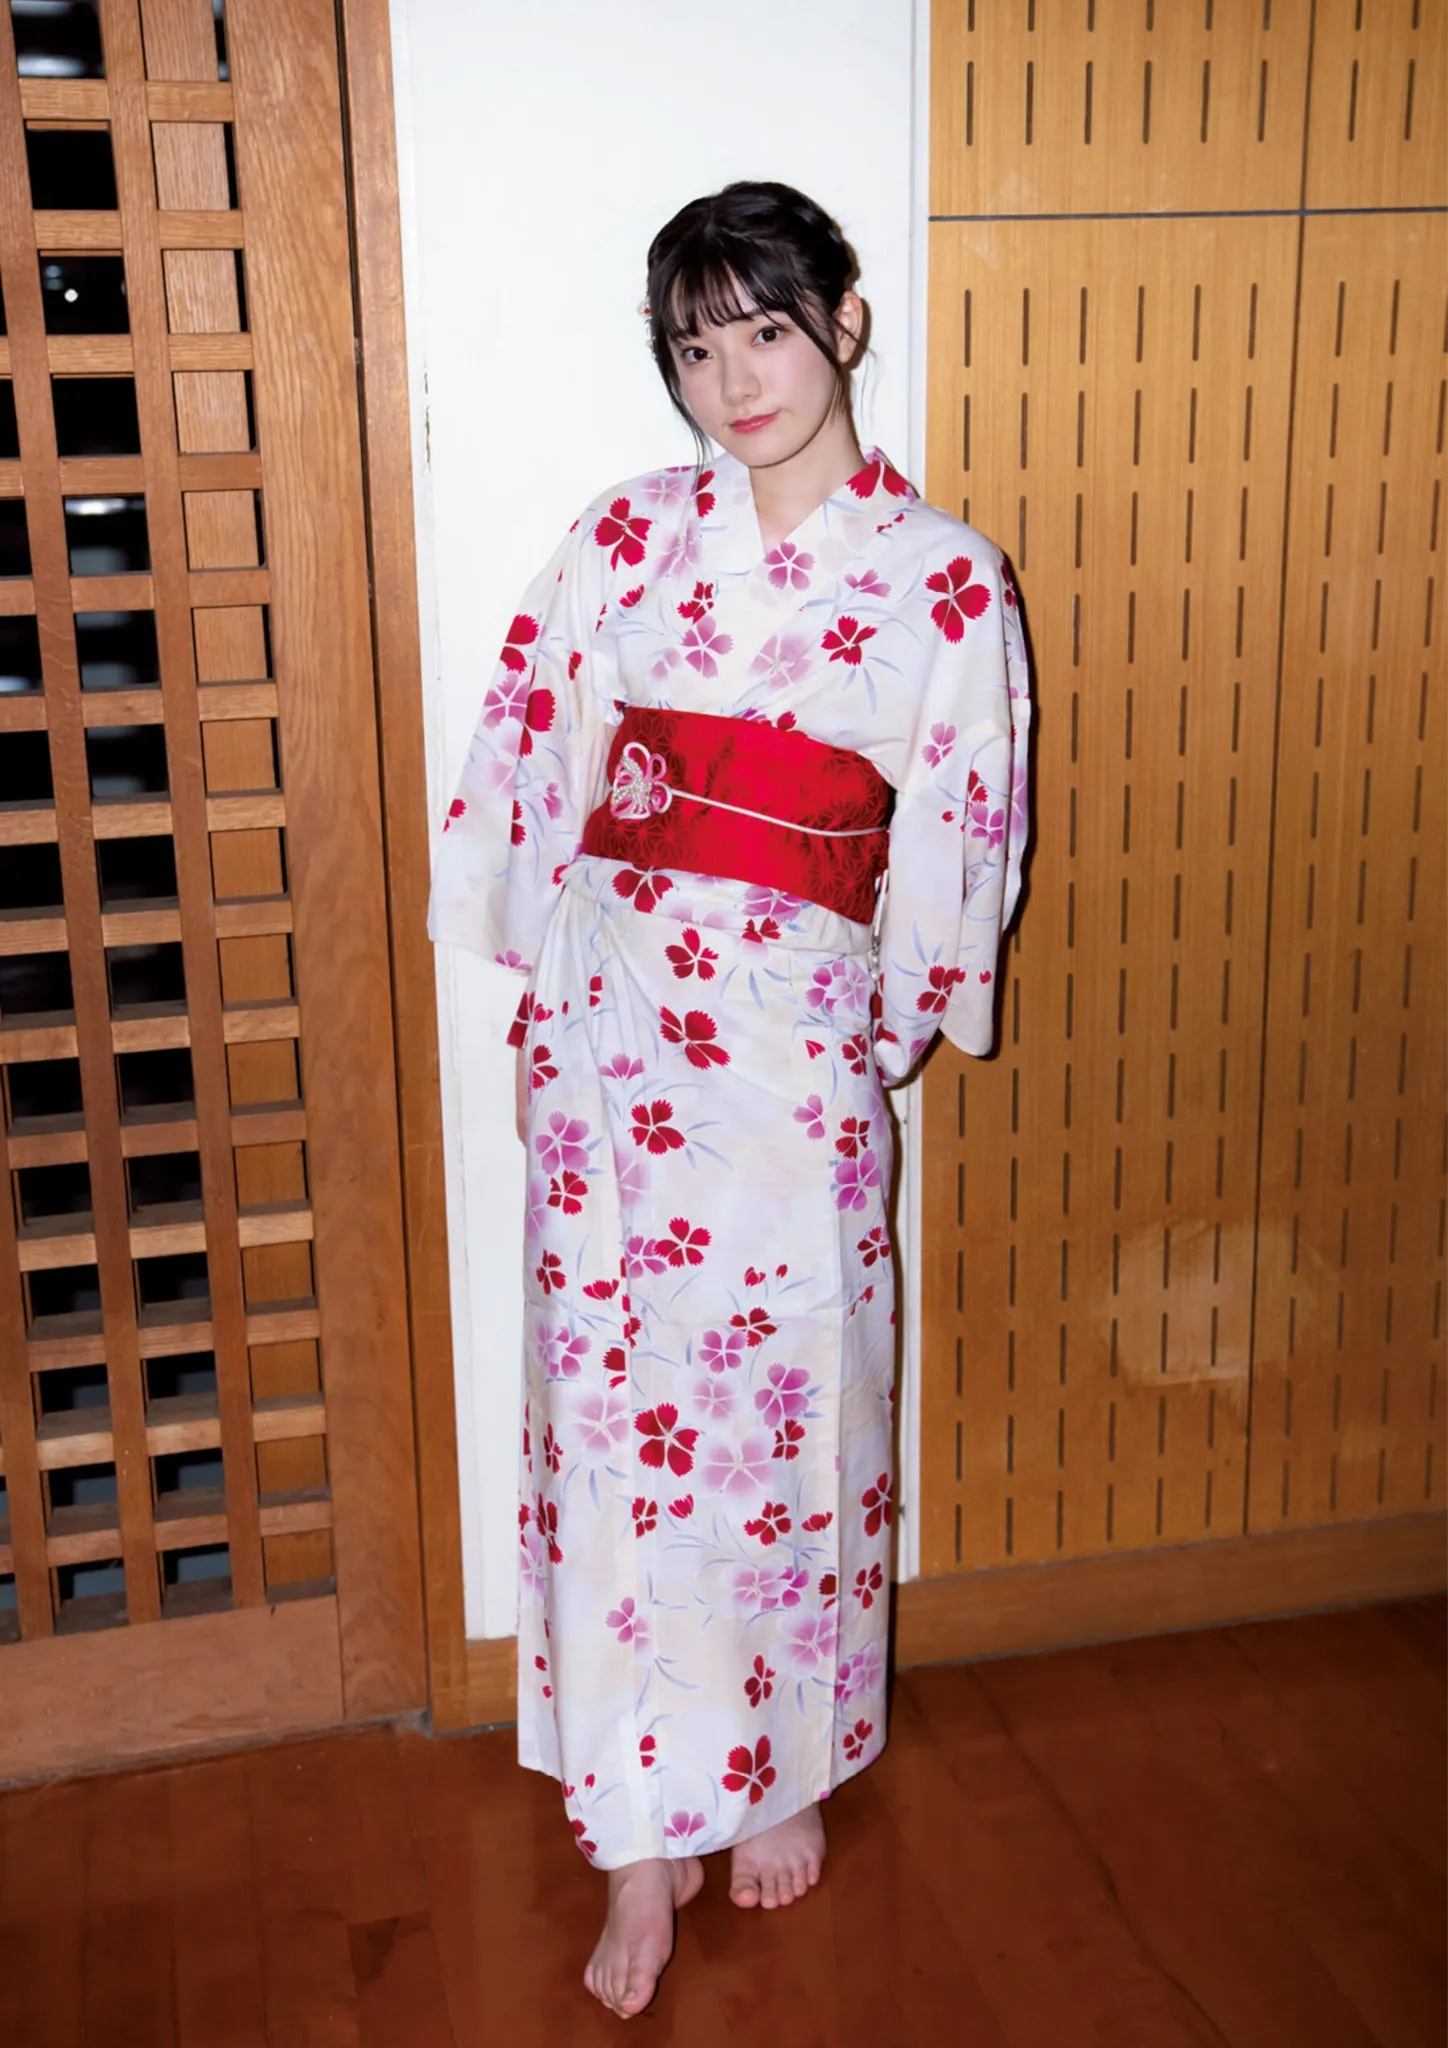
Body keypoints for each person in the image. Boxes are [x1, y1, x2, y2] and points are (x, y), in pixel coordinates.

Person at [429, 180, 1029, 2019]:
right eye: (696, 347)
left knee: (786, 1416)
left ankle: (771, 1765)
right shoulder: (626, 536)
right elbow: (541, 754)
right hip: (611, 1027)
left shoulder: (943, 576)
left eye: (766, 329)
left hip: (791, 1047)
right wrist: (541, 1007)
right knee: (614, 1414)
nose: (733, 379)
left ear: (845, 321)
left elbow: (961, 819)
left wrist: (880, 1031)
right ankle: (637, 1829)